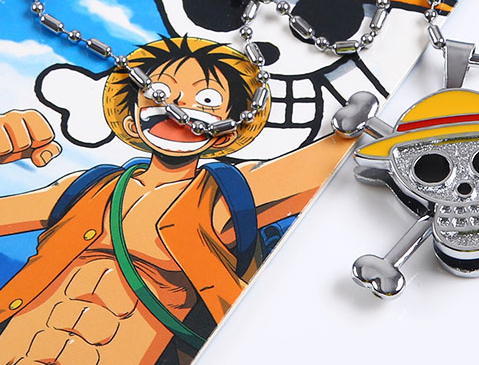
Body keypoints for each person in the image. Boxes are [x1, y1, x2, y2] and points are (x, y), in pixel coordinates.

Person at [0, 36, 350, 365]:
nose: (180, 106)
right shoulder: (87, 190)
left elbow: (323, 161)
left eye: (207, 100)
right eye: (160, 92)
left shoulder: (218, 199)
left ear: (225, 133)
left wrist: (357, 126)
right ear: (132, 122)